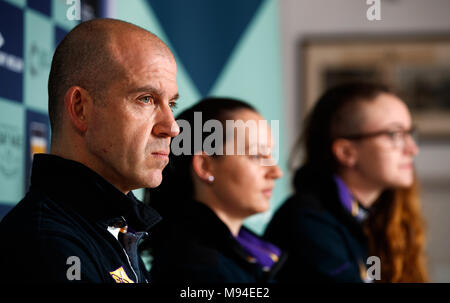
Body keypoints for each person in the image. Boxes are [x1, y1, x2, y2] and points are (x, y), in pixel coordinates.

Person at [0, 18, 180, 283]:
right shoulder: (48, 246)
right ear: (80, 109)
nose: (172, 127)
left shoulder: (108, 230)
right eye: (146, 99)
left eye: (171, 104)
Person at [264, 82, 428, 283]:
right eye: (395, 135)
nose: (412, 149)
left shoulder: (376, 216)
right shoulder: (308, 222)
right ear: (347, 152)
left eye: (410, 134)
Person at [145, 97, 285, 283]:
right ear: (205, 166)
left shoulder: (245, 255)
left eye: (271, 155)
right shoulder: (197, 269)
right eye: (257, 155)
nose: (276, 172)